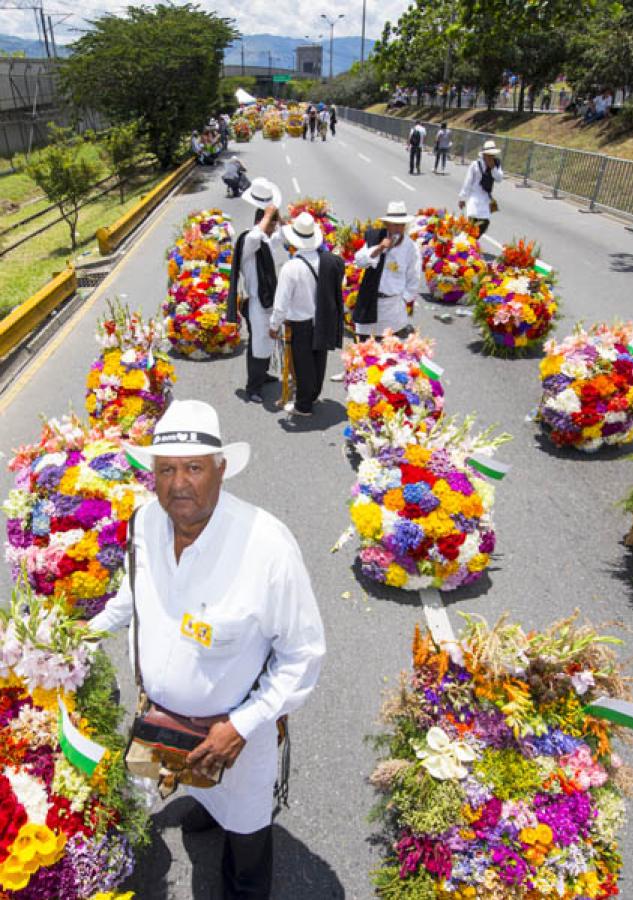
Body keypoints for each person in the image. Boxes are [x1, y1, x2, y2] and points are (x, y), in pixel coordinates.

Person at [89, 399, 325, 900]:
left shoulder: (267, 547)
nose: (179, 484)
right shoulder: (144, 521)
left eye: (194, 468)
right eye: (167, 469)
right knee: (141, 800)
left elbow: (302, 655)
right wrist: (77, 637)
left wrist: (240, 725)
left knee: (245, 848)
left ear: (221, 471)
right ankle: (201, 806)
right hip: (157, 724)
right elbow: (133, 593)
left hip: (234, 738)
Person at [268, 212, 344, 417]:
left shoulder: (291, 267)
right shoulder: (327, 260)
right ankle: (313, 395)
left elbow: (281, 303)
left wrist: (274, 325)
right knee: (319, 359)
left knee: (302, 364)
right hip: (322, 319)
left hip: (300, 323)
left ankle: (303, 405)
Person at [227, 177, 283, 403]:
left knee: (267, 341)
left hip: (267, 301)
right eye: (270, 225)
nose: (272, 230)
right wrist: (268, 217)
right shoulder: (248, 242)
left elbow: (279, 238)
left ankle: (263, 374)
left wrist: (282, 221)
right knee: (258, 343)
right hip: (256, 303)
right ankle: (253, 387)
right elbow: (255, 235)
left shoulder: (264, 241)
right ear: (262, 222)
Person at [352, 200, 421, 340]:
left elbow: (414, 278)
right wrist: (379, 248)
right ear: (387, 225)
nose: (397, 229)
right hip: (370, 302)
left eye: (400, 225)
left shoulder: (411, 248)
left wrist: (402, 300)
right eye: (394, 224)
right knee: (365, 351)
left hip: (393, 309)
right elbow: (359, 261)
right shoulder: (375, 238)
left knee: (389, 354)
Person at [458, 139, 503, 237]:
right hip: (474, 197)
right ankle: (466, 243)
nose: (491, 157)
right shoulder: (475, 165)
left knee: (484, 223)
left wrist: (493, 168)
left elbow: (499, 178)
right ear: (484, 154)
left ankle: (471, 242)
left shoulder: (496, 164)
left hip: (486, 198)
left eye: (492, 155)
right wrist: (462, 198)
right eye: (489, 155)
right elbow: (468, 182)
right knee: (472, 222)